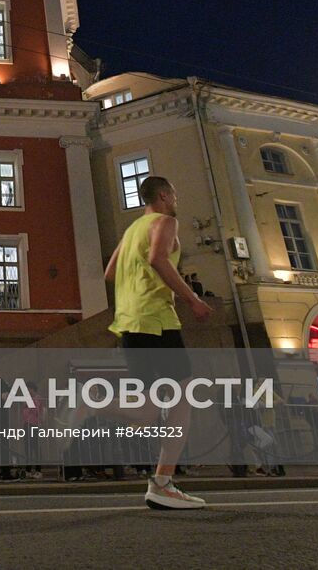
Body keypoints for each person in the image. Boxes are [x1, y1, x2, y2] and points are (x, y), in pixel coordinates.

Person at [102, 175, 213, 509]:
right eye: (174, 194)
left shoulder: (132, 229)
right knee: (182, 397)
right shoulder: (166, 221)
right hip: (156, 320)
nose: (175, 200)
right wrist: (192, 298)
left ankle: (90, 403)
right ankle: (162, 482)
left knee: (150, 408)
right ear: (165, 195)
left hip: (130, 322)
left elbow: (110, 272)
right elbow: (157, 258)